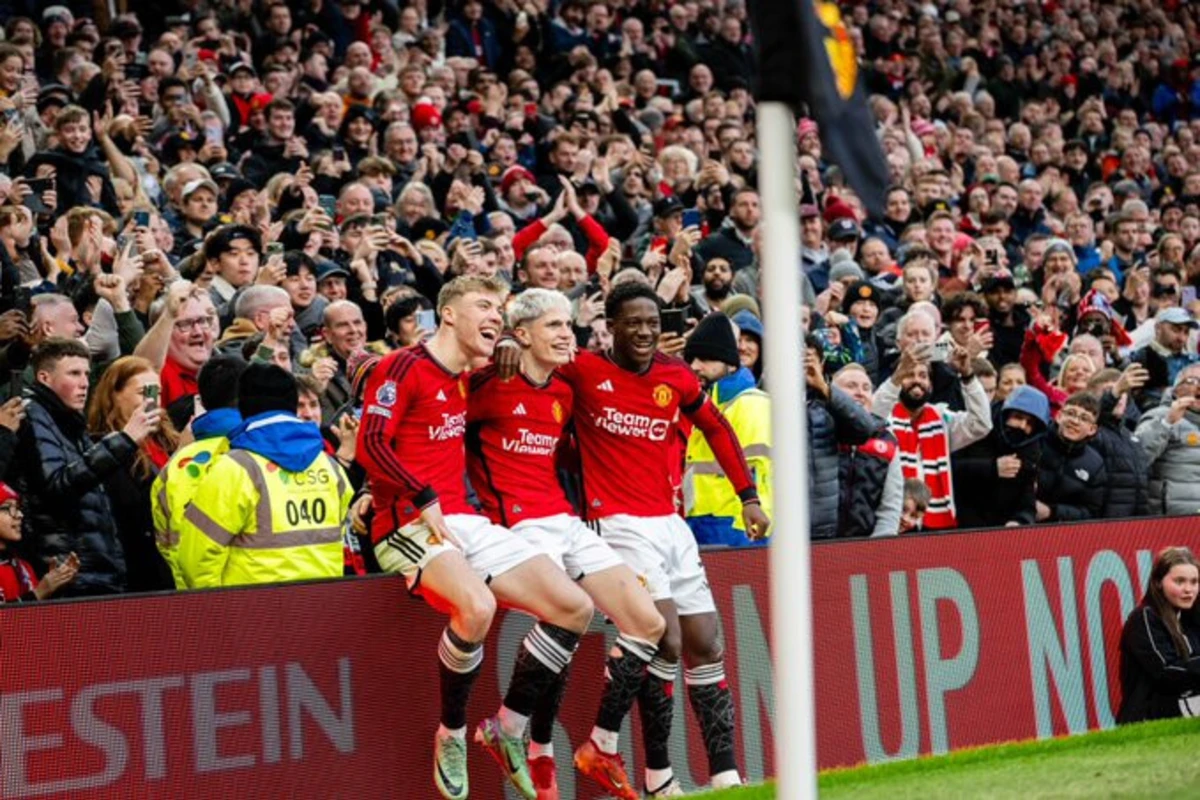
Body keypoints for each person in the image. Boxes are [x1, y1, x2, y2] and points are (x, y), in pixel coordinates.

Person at [499, 282, 769, 796]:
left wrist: (747, 494)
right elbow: (531, 366)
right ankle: (644, 767)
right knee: (661, 636)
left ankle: (725, 775)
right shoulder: (583, 370)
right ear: (611, 326)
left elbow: (715, 428)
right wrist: (508, 345)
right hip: (614, 522)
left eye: (652, 323)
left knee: (706, 643)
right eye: (633, 322)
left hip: (671, 523)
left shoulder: (677, 377)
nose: (644, 332)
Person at [357, 275, 595, 800]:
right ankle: (453, 732)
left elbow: (515, 356)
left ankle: (507, 725)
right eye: (484, 307)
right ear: (447, 314)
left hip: (462, 519)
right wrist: (420, 496)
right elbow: (370, 443)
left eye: (500, 310)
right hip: (406, 521)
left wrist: (510, 344)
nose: (495, 318)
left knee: (575, 609)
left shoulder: (471, 373)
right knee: (478, 607)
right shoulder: (403, 366)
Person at [466, 288, 666, 800]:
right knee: (567, 619)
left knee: (648, 623)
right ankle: (521, 738)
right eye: (554, 326)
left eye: (568, 326)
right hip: (516, 527)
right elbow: (436, 425)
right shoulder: (484, 383)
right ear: (523, 333)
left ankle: (599, 744)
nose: (566, 336)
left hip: (566, 519)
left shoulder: (562, 392)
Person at [176, 363, 352, 588]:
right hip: (322, 606)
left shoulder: (235, 468)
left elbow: (196, 557)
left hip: (252, 612)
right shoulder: (329, 466)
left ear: (243, 406)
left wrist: (218, 609)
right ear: (291, 404)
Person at [14, 338, 161, 596]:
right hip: (71, 574)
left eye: (86, 374)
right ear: (44, 378)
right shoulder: (35, 416)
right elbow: (57, 485)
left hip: (92, 570)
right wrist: (123, 440)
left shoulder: (69, 421)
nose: (84, 383)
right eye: (73, 373)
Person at [872, 339, 993, 530]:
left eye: (923, 375)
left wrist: (968, 376)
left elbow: (981, 424)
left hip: (935, 524)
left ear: (931, 383)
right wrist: (896, 377)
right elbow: (872, 416)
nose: (917, 380)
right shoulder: (885, 416)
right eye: (909, 374)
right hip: (892, 522)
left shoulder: (941, 418)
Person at [151, 356, 246, 588]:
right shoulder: (258, 457)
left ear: (201, 399)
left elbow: (164, 544)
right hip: (253, 595)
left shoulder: (172, 467)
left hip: (192, 601)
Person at [86, 356, 178, 592]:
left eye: (156, 392)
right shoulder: (102, 446)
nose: (152, 401)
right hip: (139, 567)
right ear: (115, 395)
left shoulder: (169, 440)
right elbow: (131, 503)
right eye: (143, 393)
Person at [682, 312, 773, 547]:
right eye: (691, 359)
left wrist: (744, 532)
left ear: (730, 362)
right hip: (700, 526)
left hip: (736, 531)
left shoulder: (753, 404)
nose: (695, 366)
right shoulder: (701, 403)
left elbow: (760, 476)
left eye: (705, 359)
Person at [1116, 547, 1200, 724]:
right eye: (1179, 581)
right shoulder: (1144, 618)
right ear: (1158, 582)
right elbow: (1166, 672)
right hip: (1147, 721)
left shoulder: (1191, 619)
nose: (1188, 589)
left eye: (1194, 582)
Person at [953, 385, 1050, 529]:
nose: (1023, 426)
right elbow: (950, 468)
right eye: (1018, 417)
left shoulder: (1031, 451)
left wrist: (1020, 521)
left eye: (1030, 423)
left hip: (998, 532)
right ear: (1006, 414)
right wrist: (992, 467)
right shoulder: (978, 430)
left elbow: (1027, 503)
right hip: (957, 526)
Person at [1137, 364, 1200, 516]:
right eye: (1192, 381)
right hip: (1171, 521)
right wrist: (1167, 423)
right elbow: (1137, 457)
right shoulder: (1160, 415)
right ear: (1176, 389)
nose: (1199, 387)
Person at [1035, 392, 1108, 523]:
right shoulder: (1036, 442)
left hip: (1061, 533)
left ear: (1092, 429)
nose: (1075, 421)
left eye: (1084, 418)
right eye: (1071, 413)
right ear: (1058, 416)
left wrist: (1052, 511)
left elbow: (1091, 512)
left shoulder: (1095, 465)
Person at [0, 482, 78, 601]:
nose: (19, 515)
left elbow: (37, 617)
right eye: (6, 508)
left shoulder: (23, 567)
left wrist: (56, 585)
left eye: (17, 508)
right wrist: (39, 593)